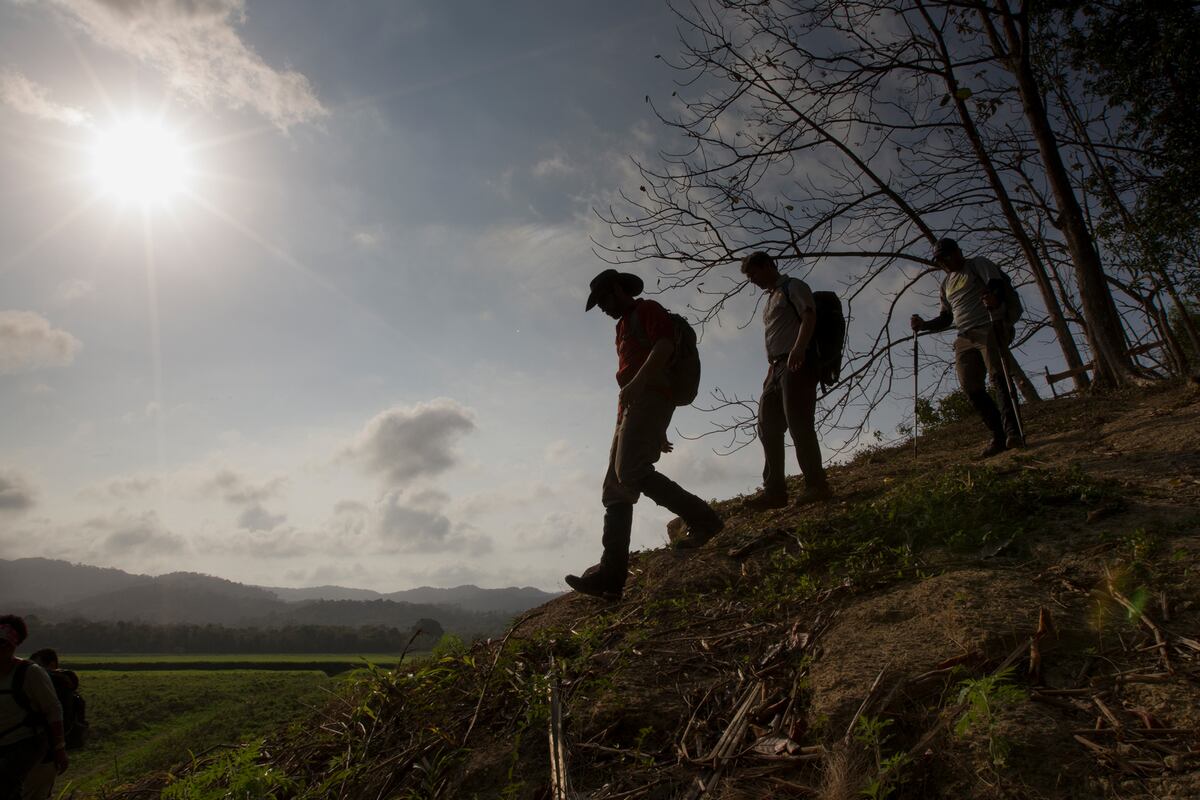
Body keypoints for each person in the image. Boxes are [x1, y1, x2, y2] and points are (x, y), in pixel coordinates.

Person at [565, 269, 725, 601]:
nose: (603, 308)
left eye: (603, 300)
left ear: (617, 289)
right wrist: (647, 420)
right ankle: (611, 577)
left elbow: (664, 346)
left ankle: (704, 519)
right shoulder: (622, 326)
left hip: (649, 396)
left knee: (631, 471)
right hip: (631, 407)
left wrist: (638, 385)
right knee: (615, 487)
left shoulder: (648, 309)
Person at [910, 237, 1023, 458]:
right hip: (963, 336)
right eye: (939, 260)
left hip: (988, 326)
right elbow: (946, 317)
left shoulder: (977, 264)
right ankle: (998, 434)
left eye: (947, 256)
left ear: (958, 252)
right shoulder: (946, 284)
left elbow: (996, 284)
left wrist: (994, 299)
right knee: (970, 387)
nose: (944, 262)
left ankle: (1013, 432)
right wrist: (924, 325)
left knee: (999, 377)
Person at [740, 252, 833, 509]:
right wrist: (771, 370)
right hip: (776, 368)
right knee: (767, 425)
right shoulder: (771, 298)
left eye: (753, 273)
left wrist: (800, 348)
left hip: (797, 362)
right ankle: (775, 493)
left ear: (768, 266)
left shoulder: (794, 286)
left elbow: (809, 315)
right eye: (749, 276)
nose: (752, 280)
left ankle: (817, 485)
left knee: (799, 423)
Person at [0, 616, 68, 800]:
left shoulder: (30, 673)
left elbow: (53, 709)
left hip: (26, 742)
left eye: (3, 644)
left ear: (13, 646)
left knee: (4, 783)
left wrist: (59, 748)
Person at [25, 649, 82, 800]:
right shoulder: (62, 683)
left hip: (36, 752)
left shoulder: (47, 683)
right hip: (46, 754)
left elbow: (56, 714)